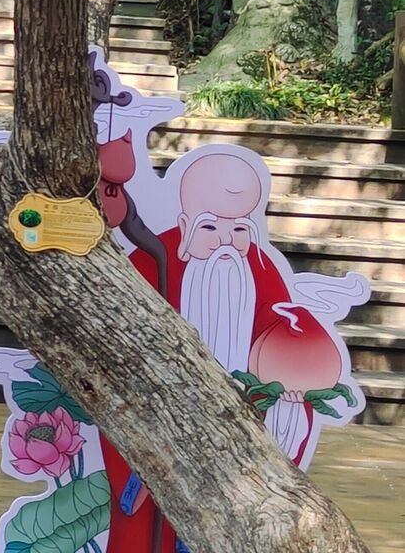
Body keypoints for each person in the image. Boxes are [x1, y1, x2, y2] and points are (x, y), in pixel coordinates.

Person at [99, 151, 317, 553]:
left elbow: (287, 346)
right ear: (184, 223)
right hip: (160, 434)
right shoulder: (150, 261)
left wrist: (286, 396)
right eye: (211, 227)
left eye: (239, 229)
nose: (226, 244)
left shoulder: (260, 269)